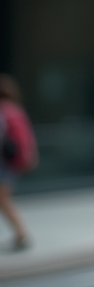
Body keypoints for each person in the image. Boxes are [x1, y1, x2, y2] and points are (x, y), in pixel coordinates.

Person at [0, 74, 35, 250]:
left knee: (3, 200)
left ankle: (21, 234)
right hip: (11, 162)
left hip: (3, 163)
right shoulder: (16, 110)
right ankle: (21, 234)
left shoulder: (3, 112)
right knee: (3, 199)